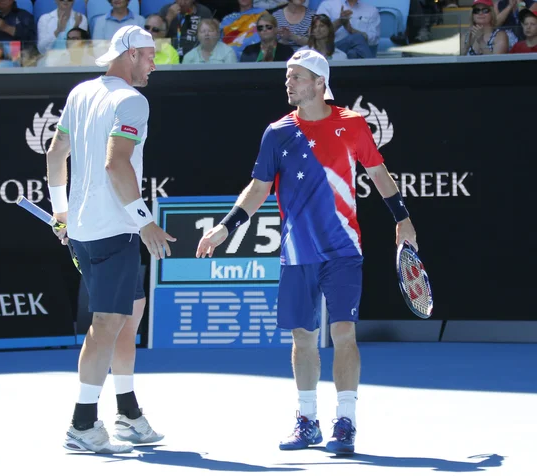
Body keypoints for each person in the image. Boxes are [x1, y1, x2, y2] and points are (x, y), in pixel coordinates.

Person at [195, 49, 418, 455]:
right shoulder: (277, 132)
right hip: (297, 254)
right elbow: (259, 188)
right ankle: (307, 420)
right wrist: (225, 228)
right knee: (303, 337)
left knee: (344, 333)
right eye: (288, 76)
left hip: (343, 251)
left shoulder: (351, 124)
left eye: (296, 76)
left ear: (319, 83)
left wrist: (402, 218)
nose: (289, 82)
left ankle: (346, 421)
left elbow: (379, 173)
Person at [46, 24, 176, 454]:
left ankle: (128, 413)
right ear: (130, 55)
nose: (155, 64)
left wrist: (61, 211)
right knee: (105, 326)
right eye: (150, 55)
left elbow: (55, 154)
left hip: (86, 231)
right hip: (112, 232)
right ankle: (82, 425)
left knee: (128, 318)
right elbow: (115, 165)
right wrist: (145, 221)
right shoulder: (131, 101)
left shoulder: (81, 93)